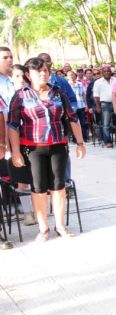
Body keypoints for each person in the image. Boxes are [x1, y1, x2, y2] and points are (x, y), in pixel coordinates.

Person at [7, 57, 87, 241]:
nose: (43, 74)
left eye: (45, 70)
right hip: (33, 149)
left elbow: (72, 118)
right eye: (38, 71)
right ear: (28, 75)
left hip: (58, 145)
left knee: (58, 187)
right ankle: (43, 228)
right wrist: (16, 151)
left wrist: (80, 143)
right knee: (38, 188)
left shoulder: (58, 93)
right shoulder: (20, 96)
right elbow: (12, 125)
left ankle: (60, 225)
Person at [92, 65, 114, 147]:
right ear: (102, 73)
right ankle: (107, 141)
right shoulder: (98, 82)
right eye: (105, 71)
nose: (107, 73)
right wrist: (98, 106)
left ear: (111, 72)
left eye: (108, 71)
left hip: (115, 103)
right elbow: (96, 96)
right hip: (104, 104)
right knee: (106, 123)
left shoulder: (115, 80)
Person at [66, 70, 89, 141]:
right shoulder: (67, 85)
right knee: (74, 123)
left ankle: (84, 137)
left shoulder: (80, 84)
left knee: (83, 122)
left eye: (72, 75)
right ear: (67, 77)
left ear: (75, 75)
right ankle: (76, 138)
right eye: (69, 75)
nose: (71, 76)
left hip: (81, 105)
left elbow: (84, 95)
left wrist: (86, 105)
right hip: (72, 107)